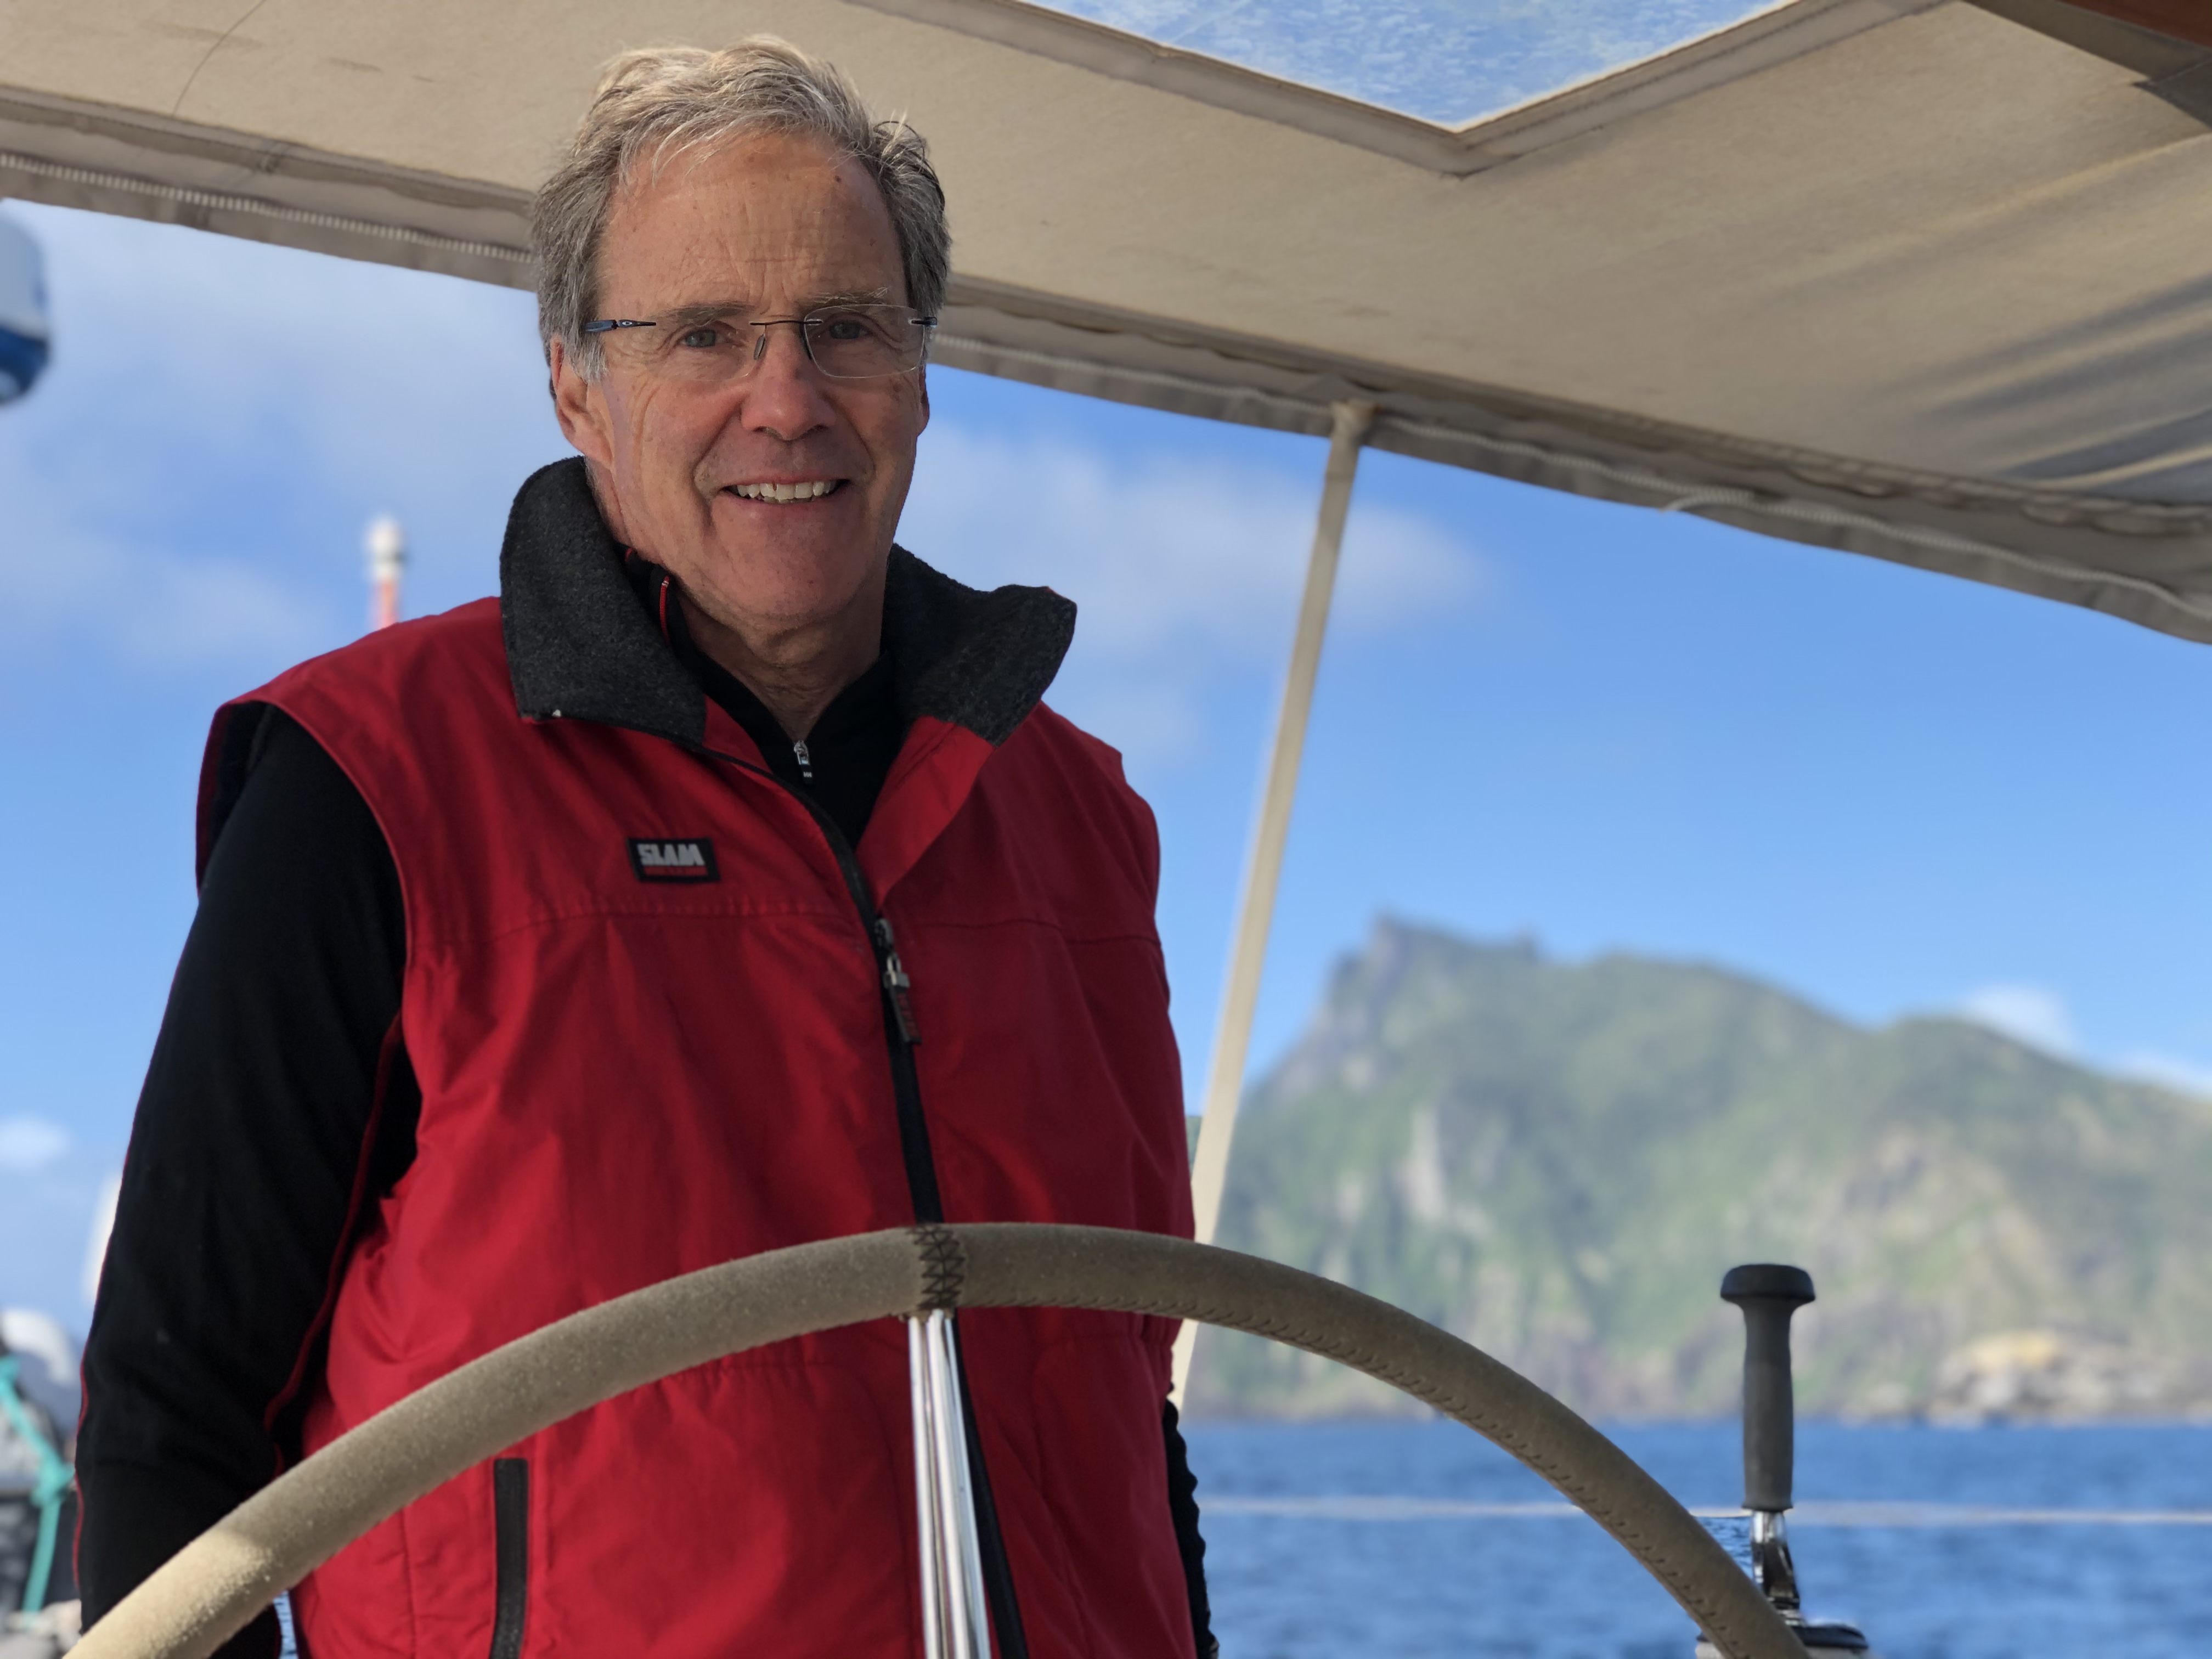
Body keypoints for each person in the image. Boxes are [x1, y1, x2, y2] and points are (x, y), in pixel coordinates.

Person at [76, 38, 1214, 1659]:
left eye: (847, 327)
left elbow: (1126, 1389)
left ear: (920, 375)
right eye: (702, 334)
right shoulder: (369, 779)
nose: (786, 400)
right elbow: (176, 1415)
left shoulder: (1081, 816)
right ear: (575, 386)